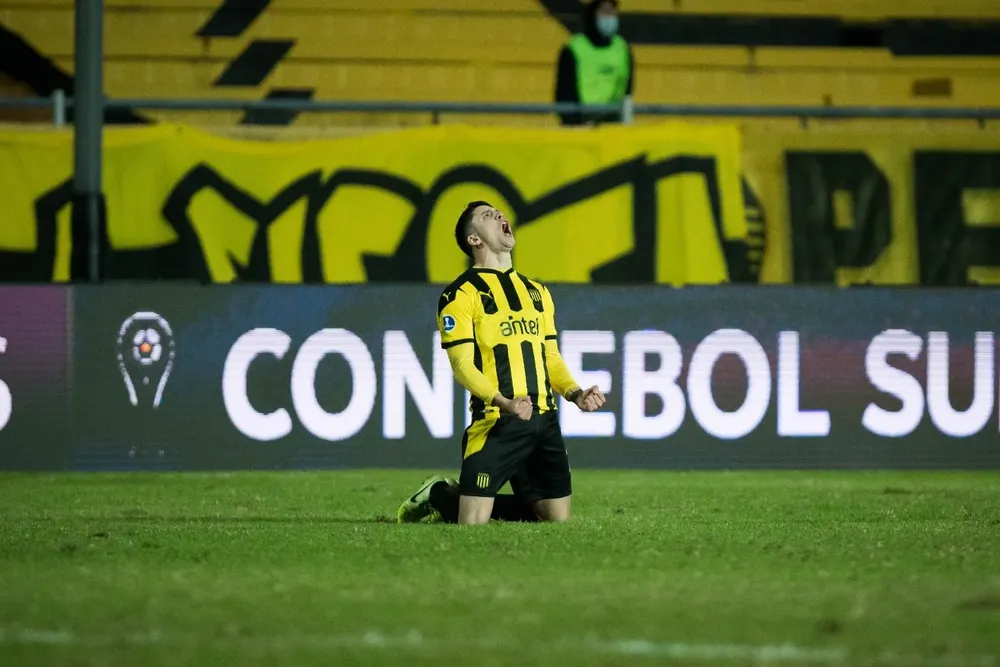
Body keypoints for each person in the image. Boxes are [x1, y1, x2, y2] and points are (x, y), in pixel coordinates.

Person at [397, 201, 606, 525]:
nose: (498, 215)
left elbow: (550, 357)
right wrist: (503, 402)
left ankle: (455, 495)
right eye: (486, 215)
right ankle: (437, 494)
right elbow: (462, 365)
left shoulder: (537, 292)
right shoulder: (460, 295)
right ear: (474, 239)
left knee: (555, 519)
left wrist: (575, 393)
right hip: (497, 420)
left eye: (498, 212)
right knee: (472, 523)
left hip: (544, 419)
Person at [554, 0, 635, 127]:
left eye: (613, 12)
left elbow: (627, 91)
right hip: (581, 125)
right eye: (605, 12)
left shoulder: (622, 48)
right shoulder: (573, 49)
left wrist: (625, 123)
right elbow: (563, 94)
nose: (610, 17)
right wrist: (576, 124)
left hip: (613, 126)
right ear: (592, 15)